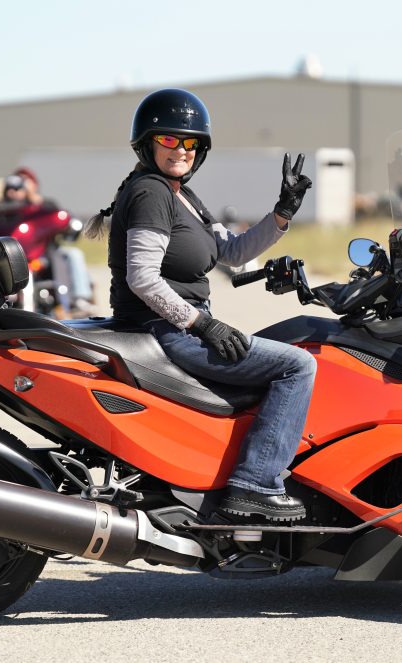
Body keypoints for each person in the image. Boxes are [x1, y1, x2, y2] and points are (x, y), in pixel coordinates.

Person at [85, 88, 316, 521]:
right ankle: (255, 484)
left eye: (191, 142)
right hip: (165, 330)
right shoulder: (152, 192)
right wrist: (200, 325)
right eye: (170, 140)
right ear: (148, 143)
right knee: (298, 366)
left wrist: (282, 213)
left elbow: (233, 252)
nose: (182, 150)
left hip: (179, 326)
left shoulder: (181, 194)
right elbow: (143, 279)